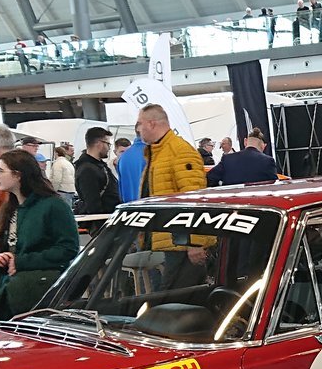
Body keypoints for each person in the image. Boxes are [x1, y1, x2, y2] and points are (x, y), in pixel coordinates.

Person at [0, 149, 81, 319]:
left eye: (1, 171)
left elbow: (68, 249)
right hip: (9, 287)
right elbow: (7, 247)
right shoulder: (9, 209)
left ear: (18, 175)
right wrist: (2, 259)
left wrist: (21, 262)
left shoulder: (54, 206)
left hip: (36, 292)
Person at [136, 104, 211, 287]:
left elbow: (195, 198)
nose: (138, 129)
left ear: (152, 123)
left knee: (174, 299)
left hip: (179, 247)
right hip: (165, 243)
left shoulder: (179, 151)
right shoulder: (157, 154)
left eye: (140, 124)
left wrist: (195, 242)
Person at [74, 126, 120, 215]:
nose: (109, 148)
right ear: (99, 143)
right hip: (100, 219)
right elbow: (92, 205)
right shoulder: (87, 170)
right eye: (108, 144)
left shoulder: (98, 166)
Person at [208, 128, 279, 186]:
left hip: (232, 198)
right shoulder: (268, 161)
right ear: (264, 146)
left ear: (245, 141)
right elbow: (274, 186)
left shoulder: (227, 159)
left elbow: (210, 178)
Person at [115, 135, 146, 204]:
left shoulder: (123, 159)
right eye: (121, 151)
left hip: (129, 205)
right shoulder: (151, 152)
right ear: (115, 152)